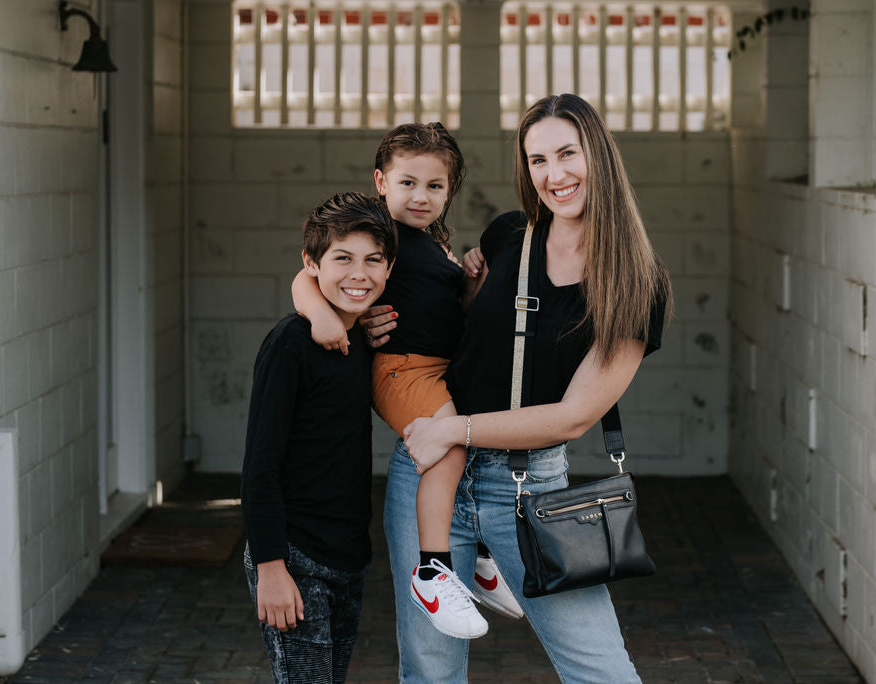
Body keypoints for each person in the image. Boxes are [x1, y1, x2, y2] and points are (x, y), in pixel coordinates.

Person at [365, 93, 673, 682]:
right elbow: (452, 327)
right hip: (429, 478)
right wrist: (372, 318)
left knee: (602, 671)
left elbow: (574, 416)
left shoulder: (636, 280)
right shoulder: (509, 237)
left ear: (598, 155)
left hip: (529, 489)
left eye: (567, 153)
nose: (554, 175)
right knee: (429, 672)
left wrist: (455, 429)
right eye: (537, 161)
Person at [290, 122, 523, 641]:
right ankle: (434, 572)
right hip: (402, 368)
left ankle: (482, 563)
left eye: (435, 186)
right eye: (408, 183)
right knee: (451, 448)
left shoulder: (432, 244)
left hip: (439, 368)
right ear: (381, 181)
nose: (421, 196)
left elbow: (449, 310)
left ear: (449, 191)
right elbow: (307, 274)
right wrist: (322, 316)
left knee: (480, 438)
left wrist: (471, 280)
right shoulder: (379, 234)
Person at [241, 192, 397, 684]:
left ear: (390, 267)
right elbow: (260, 465)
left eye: (373, 260)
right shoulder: (291, 344)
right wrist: (270, 565)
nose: (359, 274)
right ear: (311, 263)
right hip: (295, 555)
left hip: (348, 557)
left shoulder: (362, 341)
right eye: (342, 259)